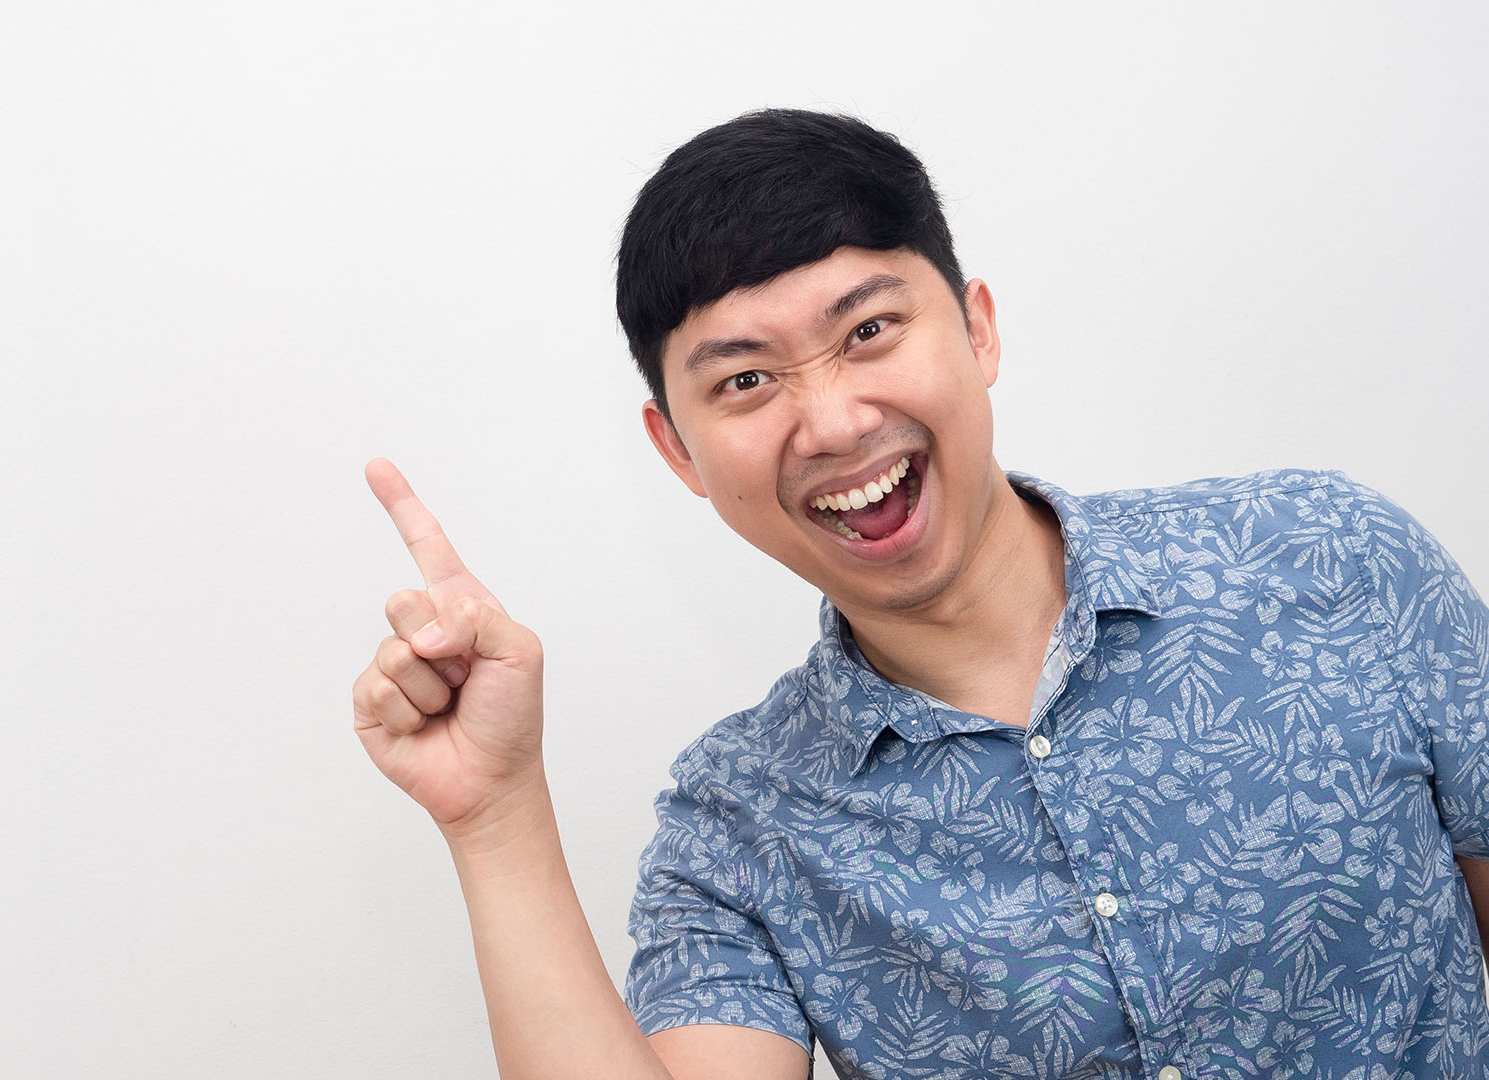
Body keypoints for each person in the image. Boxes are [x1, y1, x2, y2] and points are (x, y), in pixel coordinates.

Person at [350, 109, 1489, 1079]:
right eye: (746, 380)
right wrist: (494, 816)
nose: (835, 421)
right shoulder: (738, 826)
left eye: (870, 330)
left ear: (978, 327)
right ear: (680, 454)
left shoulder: (1325, 556)